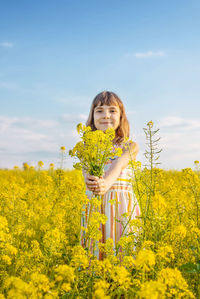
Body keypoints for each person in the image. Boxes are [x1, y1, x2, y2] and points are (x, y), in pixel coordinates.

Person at [82, 91, 140, 259]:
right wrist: (92, 182)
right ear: (92, 117)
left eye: (112, 110)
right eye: (99, 111)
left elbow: (118, 164)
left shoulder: (130, 146)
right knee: (96, 258)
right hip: (96, 208)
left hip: (122, 210)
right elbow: (87, 173)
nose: (106, 115)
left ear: (121, 116)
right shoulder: (86, 148)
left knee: (124, 256)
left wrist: (105, 184)